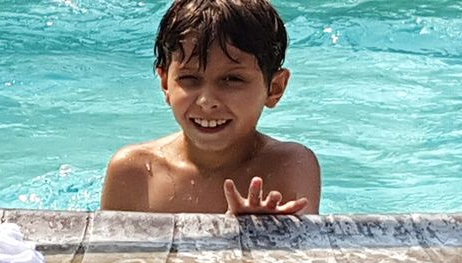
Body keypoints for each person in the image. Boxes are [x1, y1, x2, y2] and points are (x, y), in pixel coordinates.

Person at [101, 0, 321, 215]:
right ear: (165, 83)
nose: (206, 101)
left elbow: (308, 251)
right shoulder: (134, 172)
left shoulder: (289, 165)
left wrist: (259, 236)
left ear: (274, 88)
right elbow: (111, 252)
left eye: (232, 79)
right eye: (189, 78)